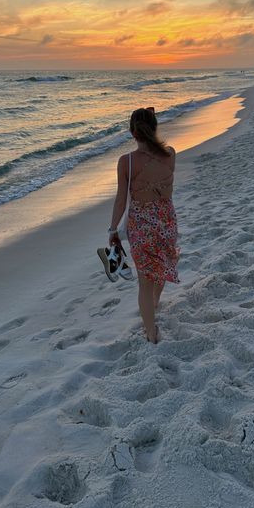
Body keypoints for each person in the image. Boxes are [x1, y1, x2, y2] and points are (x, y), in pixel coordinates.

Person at [108, 107, 179, 344]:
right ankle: (156, 302)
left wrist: (112, 229)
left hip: (141, 226)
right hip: (166, 221)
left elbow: (120, 200)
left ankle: (151, 332)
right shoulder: (170, 154)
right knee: (162, 264)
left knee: (144, 281)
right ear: (155, 128)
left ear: (132, 133)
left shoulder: (126, 162)